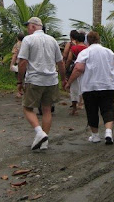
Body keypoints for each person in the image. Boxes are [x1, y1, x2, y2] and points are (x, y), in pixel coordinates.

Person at [17, 16, 67, 150]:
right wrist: (63, 79)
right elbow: (60, 62)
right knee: (46, 109)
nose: (27, 29)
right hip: (51, 80)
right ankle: (44, 141)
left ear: (33, 26)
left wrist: (19, 81)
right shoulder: (52, 40)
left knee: (27, 108)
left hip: (35, 79)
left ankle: (39, 132)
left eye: (28, 27)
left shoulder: (28, 39)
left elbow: (22, 62)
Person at [64, 31, 114, 145]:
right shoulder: (108, 51)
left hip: (90, 86)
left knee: (92, 110)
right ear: (98, 39)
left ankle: (95, 136)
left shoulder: (86, 52)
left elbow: (79, 68)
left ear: (87, 41)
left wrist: (69, 82)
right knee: (108, 109)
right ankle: (109, 132)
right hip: (108, 85)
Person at [65, 30, 87, 115]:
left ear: (76, 40)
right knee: (83, 87)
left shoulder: (73, 48)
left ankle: (74, 108)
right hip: (84, 70)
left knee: (74, 88)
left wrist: (66, 67)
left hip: (75, 69)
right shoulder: (87, 49)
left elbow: (69, 59)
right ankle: (81, 103)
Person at [10, 33, 25, 98]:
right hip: (27, 64)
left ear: (17, 38)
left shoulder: (16, 45)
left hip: (19, 64)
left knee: (19, 79)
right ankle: (24, 91)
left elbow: (14, 55)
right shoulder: (26, 44)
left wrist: (11, 65)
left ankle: (19, 92)